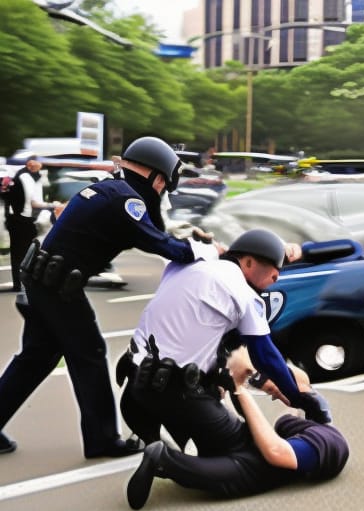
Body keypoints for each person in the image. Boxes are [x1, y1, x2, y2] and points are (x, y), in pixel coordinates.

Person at [0, 136, 223, 459]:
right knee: (89, 353)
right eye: (164, 186)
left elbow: (152, 232)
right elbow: (158, 243)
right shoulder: (126, 200)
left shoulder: (108, 187)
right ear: (156, 177)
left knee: (37, 357)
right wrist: (203, 251)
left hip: (42, 281)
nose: (162, 193)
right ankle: (102, 439)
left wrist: (184, 239)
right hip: (57, 287)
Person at [118, 228, 332, 464]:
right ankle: (165, 460)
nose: (276, 277)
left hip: (132, 394)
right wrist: (298, 397)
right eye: (274, 269)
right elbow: (266, 356)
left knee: (210, 381)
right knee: (245, 453)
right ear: (249, 262)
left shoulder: (186, 264)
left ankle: (154, 442)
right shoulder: (244, 294)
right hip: (173, 393)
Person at [126, 346, 349, 510]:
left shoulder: (326, 443)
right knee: (233, 469)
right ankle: (163, 458)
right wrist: (237, 388)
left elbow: (276, 452)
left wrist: (241, 389)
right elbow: (271, 434)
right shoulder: (302, 428)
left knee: (239, 459)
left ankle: (164, 449)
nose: (274, 394)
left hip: (248, 456)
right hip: (247, 462)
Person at [3, 155, 62, 291]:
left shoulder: (29, 176)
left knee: (22, 252)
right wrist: (52, 205)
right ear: (29, 164)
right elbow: (33, 202)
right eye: (37, 164)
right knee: (22, 252)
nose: (39, 167)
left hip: (21, 218)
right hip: (22, 219)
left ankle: (22, 283)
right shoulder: (26, 177)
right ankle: (20, 283)